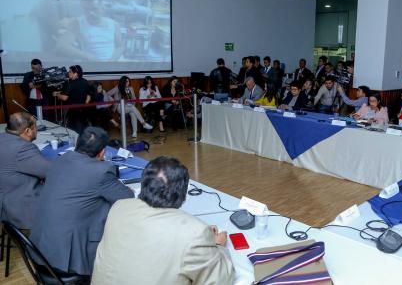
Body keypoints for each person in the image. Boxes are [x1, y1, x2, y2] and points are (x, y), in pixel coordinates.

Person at [91, 157, 235, 284]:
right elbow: (219, 280)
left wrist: (200, 240)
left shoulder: (119, 207)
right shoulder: (195, 233)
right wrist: (218, 246)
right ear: (183, 196)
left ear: (143, 184)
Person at [30, 127, 134, 276]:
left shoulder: (60, 159)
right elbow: (127, 197)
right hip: (67, 261)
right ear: (102, 152)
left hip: (39, 250)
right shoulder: (100, 171)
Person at [0, 112, 51, 229]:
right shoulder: (22, 148)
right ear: (28, 131)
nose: (37, 129)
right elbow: (50, 171)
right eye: (35, 126)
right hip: (20, 208)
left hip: (5, 199)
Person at [56, 0, 123, 61]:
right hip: (91, 63)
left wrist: (111, 61)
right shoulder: (77, 23)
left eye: (95, 9)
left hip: (113, 61)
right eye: (86, 9)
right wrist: (86, 56)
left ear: (102, 8)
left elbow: (120, 47)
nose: (90, 13)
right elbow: (61, 46)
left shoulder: (114, 24)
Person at [52, 65, 90, 134]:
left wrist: (57, 94)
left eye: (70, 72)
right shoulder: (85, 82)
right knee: (83, 129)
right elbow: (88, 95)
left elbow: (64, 97)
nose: (68, 73)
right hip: (84, 110)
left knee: (72, 130)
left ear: (76, 73)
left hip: (74, 111)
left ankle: (76, 143)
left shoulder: (71, 83)